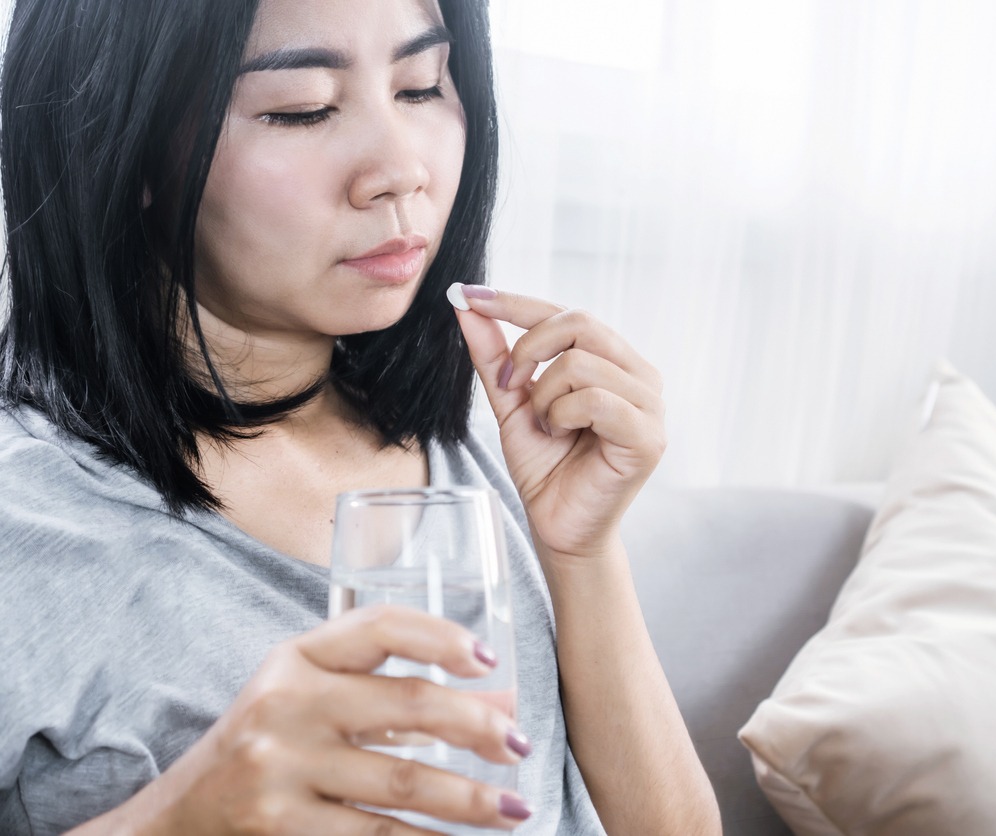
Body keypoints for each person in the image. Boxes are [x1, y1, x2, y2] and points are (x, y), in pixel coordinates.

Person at [0, 0, 721, 833]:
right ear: (123, 140)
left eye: (420, 87)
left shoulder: (466, 455)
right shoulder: (27, 524)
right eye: (301, 107)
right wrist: (174, 819)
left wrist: (583, 555)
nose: (401, 168)